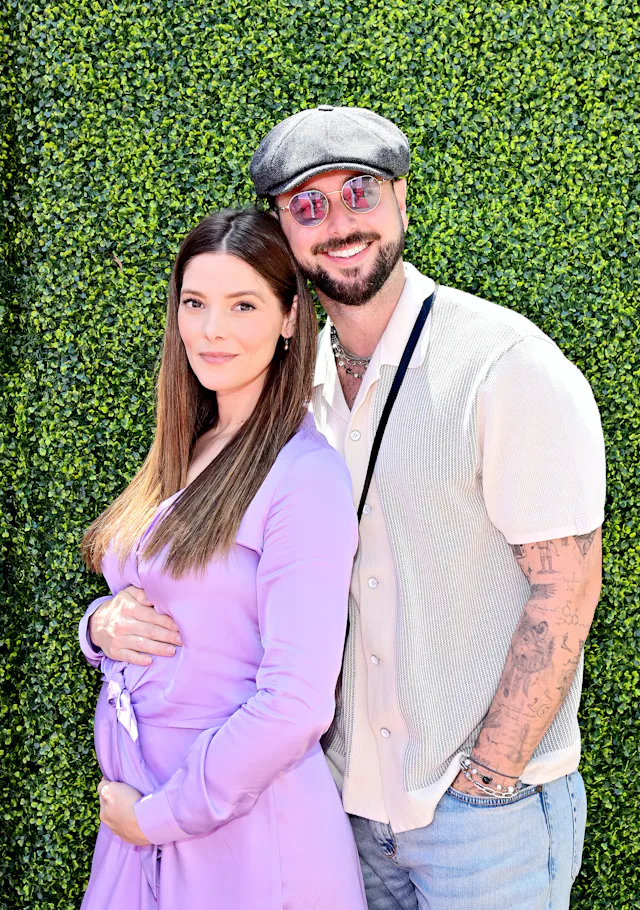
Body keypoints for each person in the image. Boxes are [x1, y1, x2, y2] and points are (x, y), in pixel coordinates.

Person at [88, 107, 606, 910]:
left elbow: (567, 587)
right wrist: (106, 620)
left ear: (402, 201)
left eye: (359, 191)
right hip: (347, 813)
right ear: (285, 236)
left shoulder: (503, 366)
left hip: (479, 821)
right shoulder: (293, 391)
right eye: (309, 205)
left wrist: (488, 780)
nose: (337, 223)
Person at [77, 208, 367, 910]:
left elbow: (295, 703)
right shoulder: (188, 447)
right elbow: (159, 594)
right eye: (195, 303)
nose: (212, 330)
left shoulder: (304, 478)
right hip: (143, 829)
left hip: (243, 842)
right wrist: (99, 626)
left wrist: (159, 818)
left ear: (290, 318)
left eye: (243, 305)